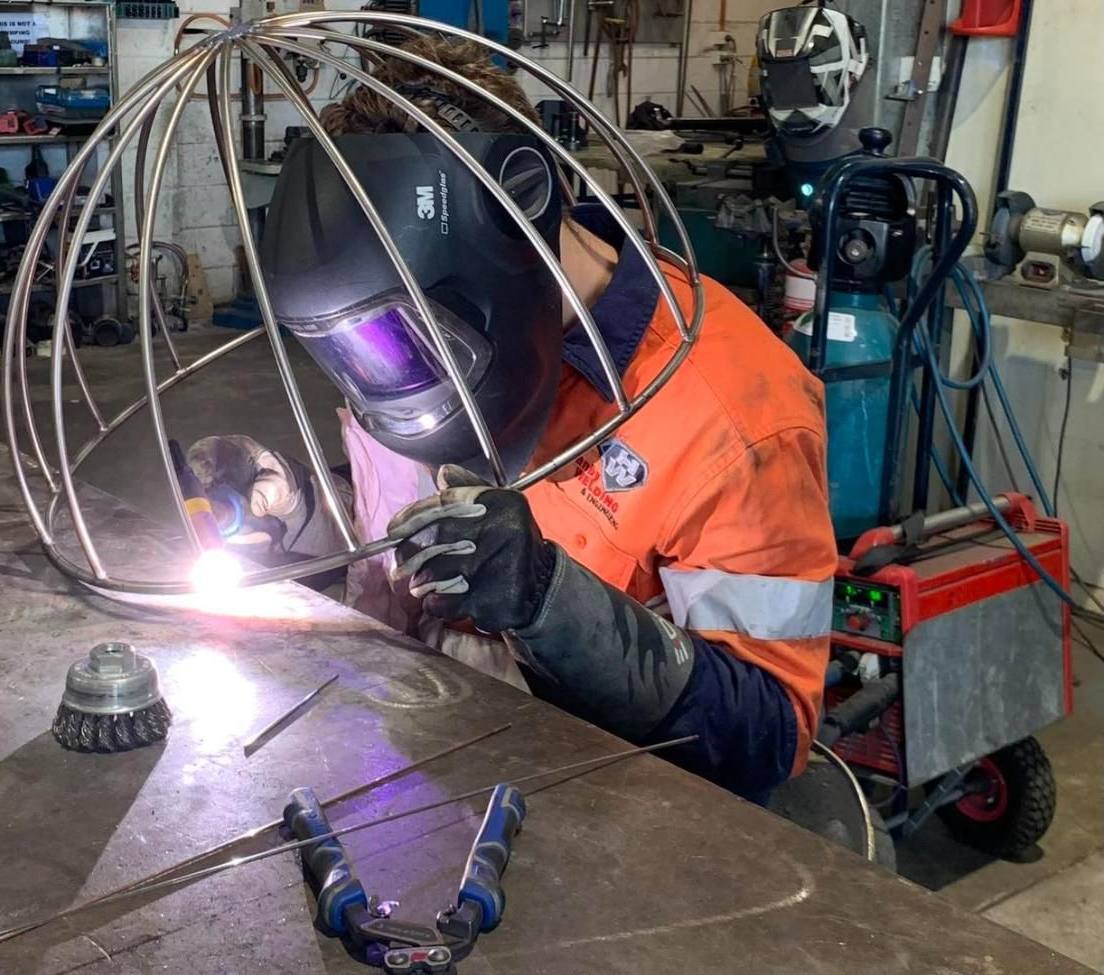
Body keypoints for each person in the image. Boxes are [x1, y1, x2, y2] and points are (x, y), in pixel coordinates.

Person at [187, 37, 837, 801]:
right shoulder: (417, 336)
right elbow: (417, 532)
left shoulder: (734, 413)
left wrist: (550, 601)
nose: (391, 378)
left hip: (611, 812)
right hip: (437, 756)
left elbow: (766, 733)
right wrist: (298, 511)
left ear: (517, 209)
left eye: (405, 339)